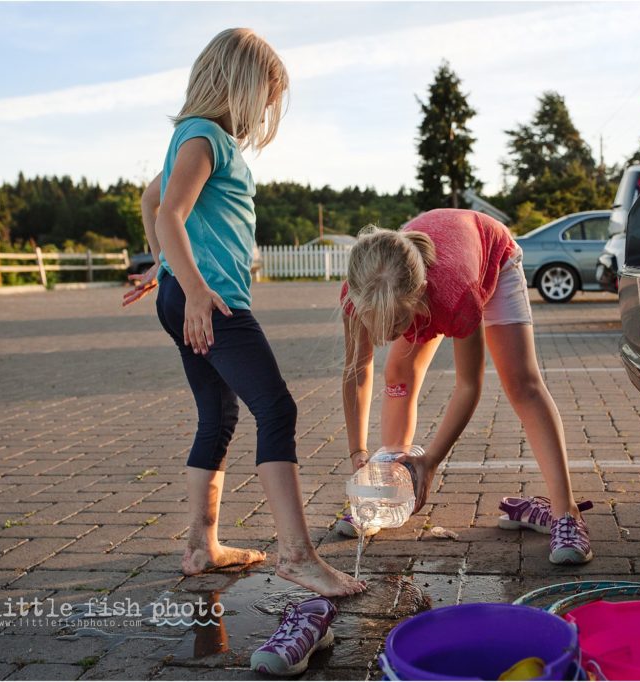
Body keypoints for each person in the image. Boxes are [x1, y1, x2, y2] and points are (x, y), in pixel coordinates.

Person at [123, 28, 364, 596]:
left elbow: (150, 201)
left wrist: (167, 270)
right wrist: (194, 285)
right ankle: (299, 556)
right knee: (276, 409)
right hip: (212, 301)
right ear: (240, 85)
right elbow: (169, 213)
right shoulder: (204, 138)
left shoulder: (196, 139)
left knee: (219, 413)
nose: (266, 110)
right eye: (266, 95)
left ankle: (201, 546)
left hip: (187, 295)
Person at [338, 209, 593, 564]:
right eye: (376, 322)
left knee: (522, 383)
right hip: (425, 275)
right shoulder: (361, 288)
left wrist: (430, 461)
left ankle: (566, 514)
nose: (387, 335)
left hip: (491, 255)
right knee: (397, 372)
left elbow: (468, 386)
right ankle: (387, 490)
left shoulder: (456, 295)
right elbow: (356, 371)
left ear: (420, 295)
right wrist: (358, 453)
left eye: (396, 322)